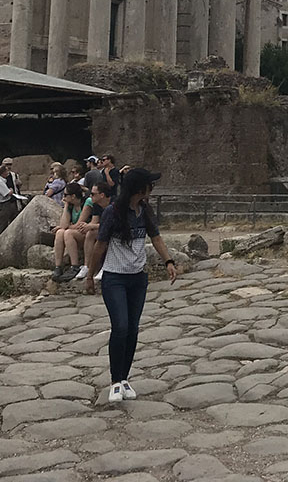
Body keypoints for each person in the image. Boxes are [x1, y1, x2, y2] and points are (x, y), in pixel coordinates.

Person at [88, 167, 179, 403]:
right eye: (150, 185)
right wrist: (90, 274)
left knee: (132, 329)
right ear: (140, 188)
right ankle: (115, 381)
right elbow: (100, 244)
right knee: (120, 326)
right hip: (114, 278)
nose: (152, 188)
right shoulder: (112, 212)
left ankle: (124, 378)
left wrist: (168, 261)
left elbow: (156, 237)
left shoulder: (145, 210)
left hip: (137, 278)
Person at [80, 180, 116, 292]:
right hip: (103, 230)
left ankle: (105, 266)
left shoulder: (114, 204)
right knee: (90, 233)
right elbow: (95, 222)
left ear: (102, 195)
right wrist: (87, 227)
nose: (90, 196)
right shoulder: (96, 205)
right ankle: (87, 266)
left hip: (115, 231)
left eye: (93, 194)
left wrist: (92, 226)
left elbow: (112, 224)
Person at [52, 183, 87, 282]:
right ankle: (58, 266)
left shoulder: (85, 204)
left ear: (73, 196)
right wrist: (66, 206)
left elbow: (79, 224)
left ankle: (75, 266)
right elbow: (63, 225)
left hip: (85, 233)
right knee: (60, 232)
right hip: (74, 231)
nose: (63, 198)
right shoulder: (71, 206)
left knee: (68, 233)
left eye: (65, 195)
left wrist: (68, 226)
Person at [0, 161, 20, 244]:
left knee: (4, 225)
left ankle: (0, 243)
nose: (8, 172)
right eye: (6, 171)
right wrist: (11, 190)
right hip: (0, 205)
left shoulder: (1, 179)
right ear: (3, 173)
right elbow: (7, 193)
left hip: (3, 204)